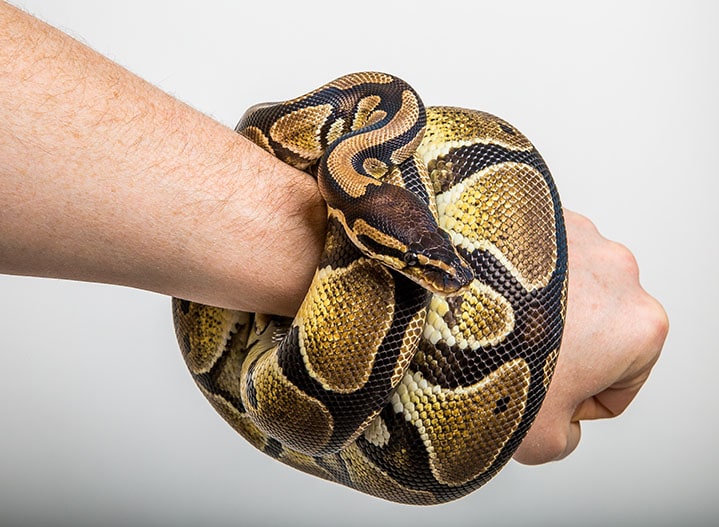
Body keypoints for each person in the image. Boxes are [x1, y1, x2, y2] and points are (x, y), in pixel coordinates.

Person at [0, 3, 667, 466]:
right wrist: (531, 312)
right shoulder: (363, 178)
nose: (449, 273)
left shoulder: (370, 156)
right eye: (421, 260)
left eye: (432, 255)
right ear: (355, 223)